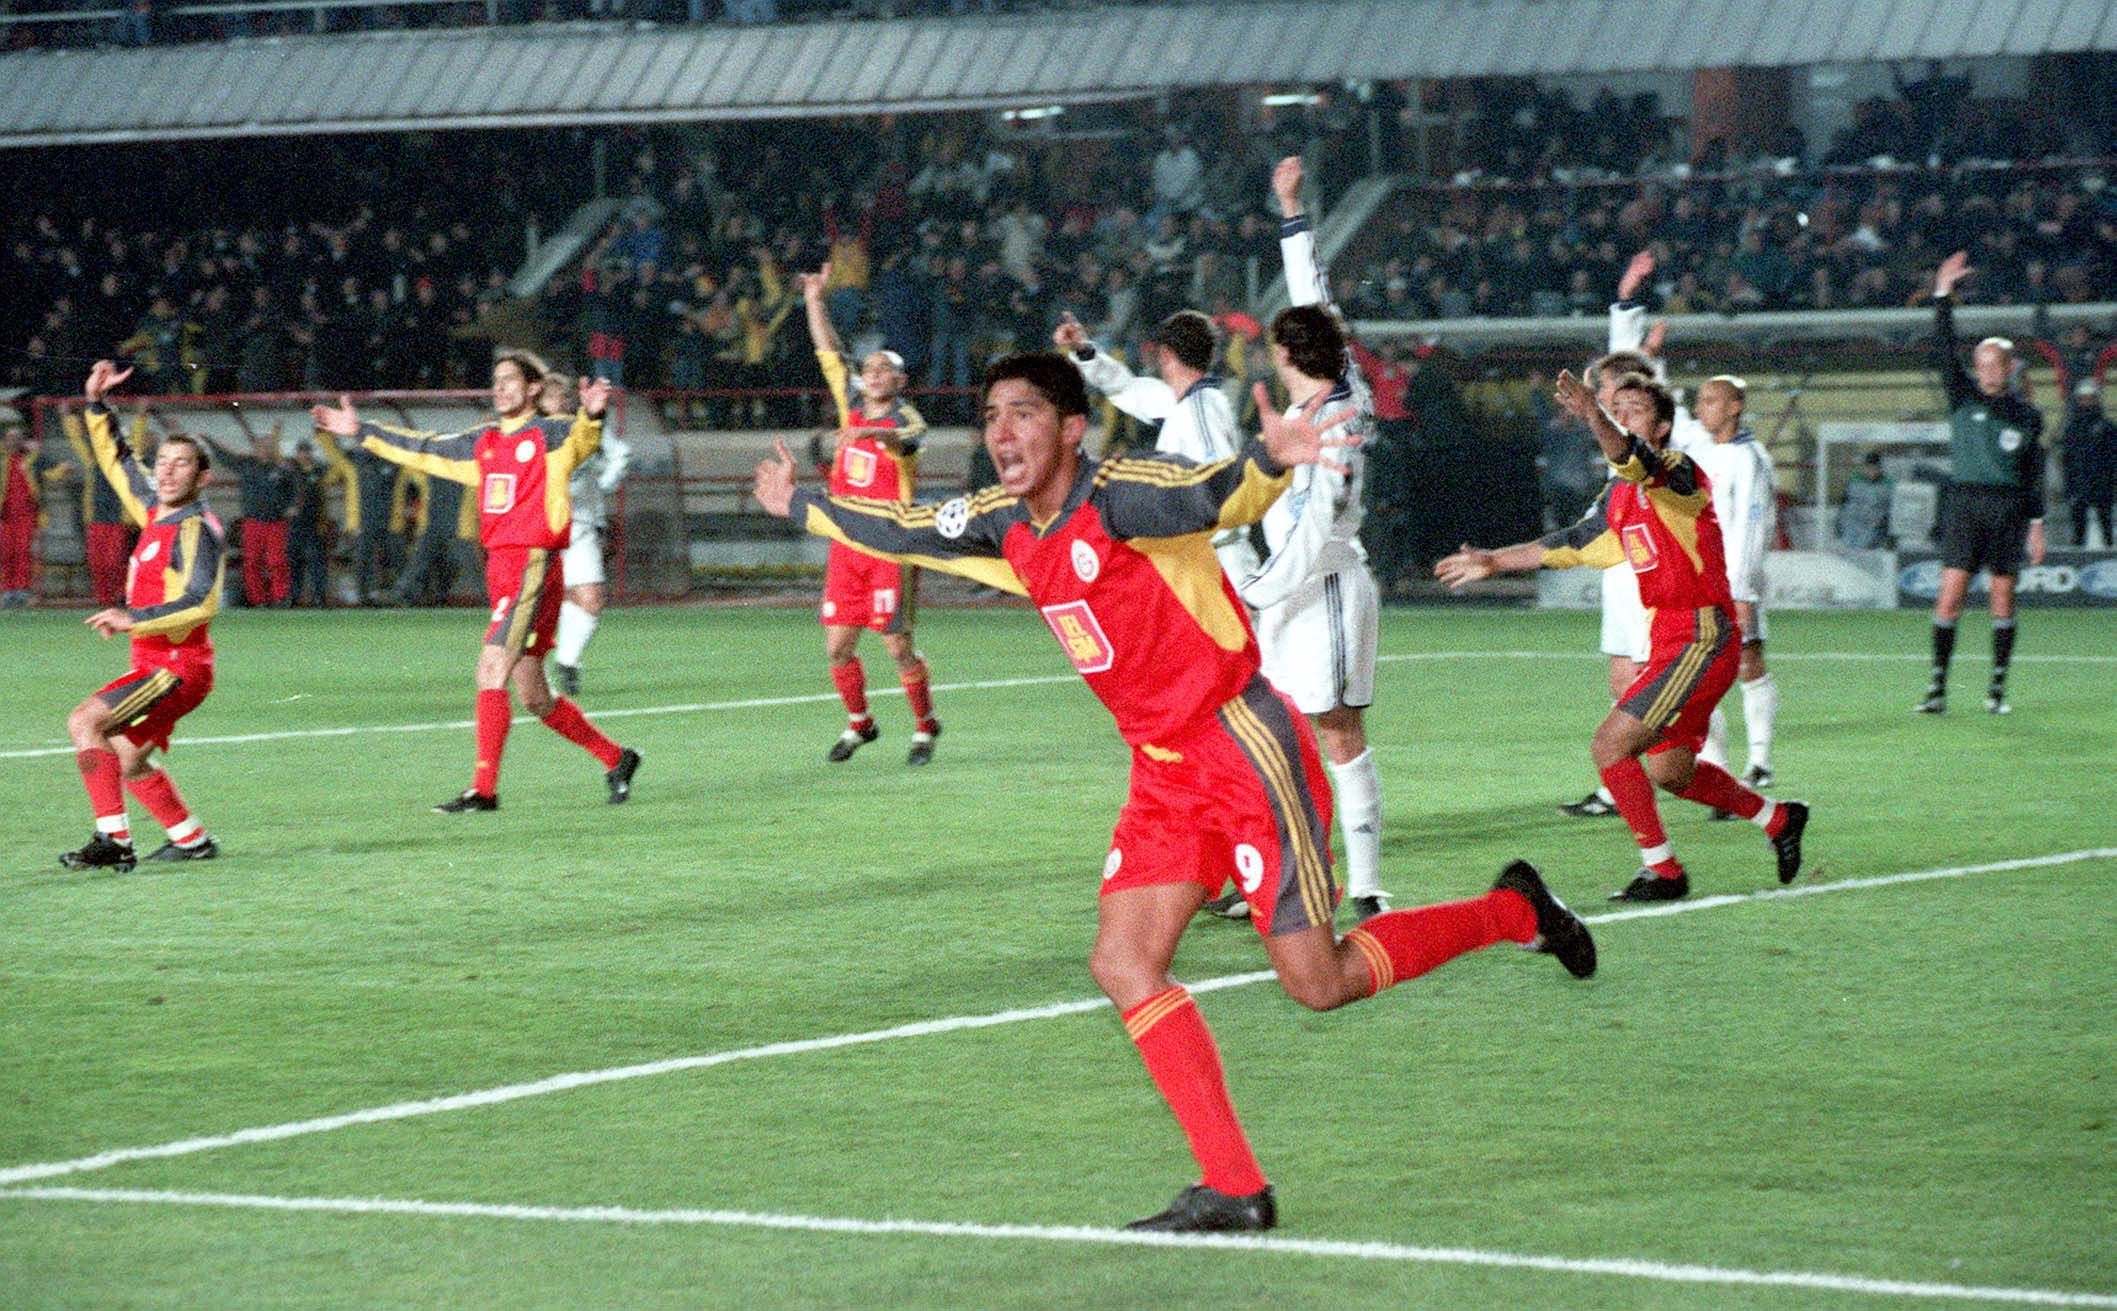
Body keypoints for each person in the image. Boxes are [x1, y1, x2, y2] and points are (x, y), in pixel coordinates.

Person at [753, 352, 1594, 1232]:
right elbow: (904, 527)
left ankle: (1512, 912)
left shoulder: (1120, 496)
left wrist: (1270, 465)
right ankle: (1233, 1185)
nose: (1003, 431)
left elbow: (1208, 496)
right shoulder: (1002, 521)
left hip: (1242, 745)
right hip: (1161, 770)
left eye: (1025, 413)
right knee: (1122, 961)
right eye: (993, 414)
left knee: (1319, 981)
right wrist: (799, 502)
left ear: (1072, 427)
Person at [1436, 371, 1808, 902]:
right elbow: (1571, 544)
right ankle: (1779, 818)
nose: (1620, 415)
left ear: (1660, 428)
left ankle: (1664, 870)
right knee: (1672, 771)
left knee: (1610, 745)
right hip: (1671, 639)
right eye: (1616, 407)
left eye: (1632, 409)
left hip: (1701, 634)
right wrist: (1495, 561)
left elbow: (1635, 460)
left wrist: (1593, 414)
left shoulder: (1679, 475)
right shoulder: (1619, 498)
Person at [312, 351, 642, 812]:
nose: (501, 387)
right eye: (496, 380)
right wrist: (361, 431)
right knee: (534, 695)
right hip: (504, 569)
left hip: (532, 563)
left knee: (490, 670)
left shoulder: (551, 434)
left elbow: (585, 440)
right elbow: (423, 448)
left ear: (532, 389)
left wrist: (592, 413)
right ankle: (617, 757)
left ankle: (482, 791)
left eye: (511, 380)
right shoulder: (482, 442)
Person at [1208, 153, 1390, 921]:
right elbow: (1315, 295)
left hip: (1321, 585)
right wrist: (1291, 213)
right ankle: (1274, 869)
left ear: (1287, 356)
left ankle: (1371, 884)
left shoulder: (1337, 420)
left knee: (1336, 729)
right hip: (1285, 587)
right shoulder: (1324, 390)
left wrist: (1253, 588)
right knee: (1264, 728)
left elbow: (1315, 529)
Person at [60, 360, 226, 871]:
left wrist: (136, 618)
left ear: (203, 477)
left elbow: (202, 601)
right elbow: (117, 462)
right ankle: (192, 840)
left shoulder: (197, 529)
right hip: (163, 665)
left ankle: (114, 840)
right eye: (164, 461)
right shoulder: (155, 513)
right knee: (128, 760)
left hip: (176, 667)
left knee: (86, 721)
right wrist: (96, 405)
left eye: (181, 464)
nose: (167, 470)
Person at [797, 262, 942, 766]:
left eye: (884, 369)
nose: (873, 374)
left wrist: (869, 435)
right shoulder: (849, 407)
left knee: (898, 648)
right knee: (837, 647)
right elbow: (828, 353)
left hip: (890, 546)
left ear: (899, 380)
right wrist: (815, 299)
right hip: (847, 546)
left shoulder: (904, 419)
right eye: (869, 369)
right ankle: (862, 723)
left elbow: (909, 440)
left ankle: (925, 727)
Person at [1917, 252, 2046, 716]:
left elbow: (2034, 473)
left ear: (2009, 368)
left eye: (1996, 364)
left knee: (2002, 596)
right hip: (1965, 504)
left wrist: (2037, 523)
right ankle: (1936, 688)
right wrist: (1942, 295)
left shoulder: (2027, 416)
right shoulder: (1962, 396)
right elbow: (1941, 346)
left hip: (2009, 507)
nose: (1988, 370)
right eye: (1982, 363)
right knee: (1950, 597)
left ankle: (1996, 688)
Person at [1054, 309, 1261, 583]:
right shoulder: (1187, 402)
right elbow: (1125, 388)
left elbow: (1222, 484)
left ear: (1165, 355)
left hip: (1220, 561)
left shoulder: (1198, 410)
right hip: (1202, 558)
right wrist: (1084, 350)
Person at [1686, 376, 1781, 797]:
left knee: (1747, 663)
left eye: (1710, 401)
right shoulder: (1698, 451)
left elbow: (1752, 526)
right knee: (1699, 673)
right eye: (1699, 401)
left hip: (1733, 583)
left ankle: (1759, 761)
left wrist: (1742, 590)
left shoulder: (1750, 458)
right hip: (1698, 581)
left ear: (1734, 406)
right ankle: (1717, 768)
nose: (1702, 408)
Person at [540, 368, 632, 698]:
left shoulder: (586, 425)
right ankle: (535, 677)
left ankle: (567, 661)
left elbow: (620, 454)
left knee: (590, 598)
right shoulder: (532, 433)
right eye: (553, 396)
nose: (560, 401)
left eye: (564, 395)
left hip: (580, 525)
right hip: (540, 527)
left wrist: (600, 487)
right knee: (543, 605)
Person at [198, 427, 298, 608]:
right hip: (252, 522)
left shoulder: (284, 468)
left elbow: (297, 489)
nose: (266, 450)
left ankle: (281, 598)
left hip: (277, 522)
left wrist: (293, 506)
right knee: (252, 561)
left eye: (269, 446)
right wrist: (208, 440)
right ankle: (258, 600)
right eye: (262, 446)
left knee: (277, 561)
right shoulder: (246, 464)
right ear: (256, 448)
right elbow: (224, 456)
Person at [62, 404, 145, 607]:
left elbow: (138, 442)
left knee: (114, 561)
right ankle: (104, 600)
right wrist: (67, 418)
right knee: (97, 563)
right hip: (96, 518)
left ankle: (121, 596)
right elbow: (76, 440)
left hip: (117, 518)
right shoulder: (93, 457)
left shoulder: (125, 457)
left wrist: (141, 417)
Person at [1, 423, 71, 607]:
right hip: (4, 516)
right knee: (6, 552)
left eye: (17, 438)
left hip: (27, 515)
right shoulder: (2, 459)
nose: (13, 442)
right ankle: (7, 590)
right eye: (10, 438)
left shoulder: (33, 459)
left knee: (24, 551)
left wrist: (38, 453)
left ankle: (22, 589)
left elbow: (60, 470)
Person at [1837, 452, 1894, 549]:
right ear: (1863, 467)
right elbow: (1844, 505)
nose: (1871, 471)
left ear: (1880, 468)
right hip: (1851, 528)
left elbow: (1890, 512)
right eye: (1868, 468)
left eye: (1874, 468)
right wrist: (1839, 527)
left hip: (1874, 532)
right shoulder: (1854, 480)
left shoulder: (1888, 484)